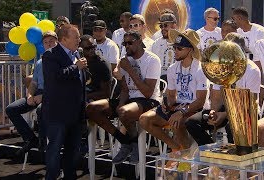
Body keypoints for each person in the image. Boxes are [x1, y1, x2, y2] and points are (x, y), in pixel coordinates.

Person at [86, 30, 161, 165]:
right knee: (92, 108)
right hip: (130, 100)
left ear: (139, 42)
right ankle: (126, 141)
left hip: (148, 101)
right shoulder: (126, 60)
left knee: (124, 112)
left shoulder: (152, 60)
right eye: (124, 43)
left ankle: (135, 143)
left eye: (130, 43)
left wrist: (130, 70)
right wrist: (120, 102)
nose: (127, 46)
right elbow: (125, 89)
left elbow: (148, 92)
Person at [185, 33, 261, 145]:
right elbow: (216, 96)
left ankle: (238, 157)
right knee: (192, 122)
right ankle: (210, 152)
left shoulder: (252, 69)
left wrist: (225, 114)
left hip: (247, 110)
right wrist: (214, 112)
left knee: (233, 127)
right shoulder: (221, 66)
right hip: (226, 106)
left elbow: (250, 102)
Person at [140, 29, 208, 151]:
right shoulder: (172, 68)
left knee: (177, 122)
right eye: (174, 47)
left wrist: (181, 112)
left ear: (190, 50)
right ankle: (176, 148)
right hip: (179, 105)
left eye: (179, 48)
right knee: (144, 119)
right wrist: (167, 103)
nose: (175, 51)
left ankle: (185, 154)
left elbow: (200, 101)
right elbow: (171, 95)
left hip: (195, 107)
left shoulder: (200, 69)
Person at [42, 24, 87, 179]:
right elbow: (55, 77)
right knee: (54, 150)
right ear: (64, 39)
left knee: (73, 151)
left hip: (75, 113)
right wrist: (75, 67)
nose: (79, 40)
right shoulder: (50, 55)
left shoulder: (77, 54)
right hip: (58, 113)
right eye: (76, 37)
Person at [5, 31, 58, 155]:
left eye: (51, 41)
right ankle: (30, 138)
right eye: (46, 42)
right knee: (11, 109)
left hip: (54, 95)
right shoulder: (40, 61)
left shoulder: (61, 60)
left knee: (41, 109)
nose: (48, 44)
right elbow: (34, 82)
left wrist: (44, 96)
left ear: (57, 42)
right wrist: (30, 95)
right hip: (38, 93)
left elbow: (60, 85)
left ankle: (43, 140)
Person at [80, 34, 112, 101]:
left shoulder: (102, 64)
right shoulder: (78, 62)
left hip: (94, 100)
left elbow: (106, 93)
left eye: (93, 47)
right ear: (80, 49)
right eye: (88, 48)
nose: (92, 50)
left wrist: (84, 96)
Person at [151, 13, 178, 82]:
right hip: (160, 82)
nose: (163, 28)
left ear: (174, 25)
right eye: (161, 26)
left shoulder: (182, 42)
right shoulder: (156, 44)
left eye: (165, 25)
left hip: (177, 81)